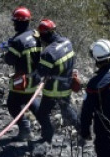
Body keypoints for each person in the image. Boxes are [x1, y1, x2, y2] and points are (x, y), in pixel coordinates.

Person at [32, 19, 79, 153]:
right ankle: (83, 131)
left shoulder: (49, 52)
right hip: (67, 84)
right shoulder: (67, 42)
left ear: (44, 35)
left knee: (42, 113)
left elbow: (40, 74)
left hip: (54, 88)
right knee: (67, 110)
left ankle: (47, 137)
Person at [0, 6, 42, 141]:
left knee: (12, 104)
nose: (13, 24)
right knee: (29, 99)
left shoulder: (18, 41)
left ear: (19, 22)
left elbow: (10, 60)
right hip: (35, 78)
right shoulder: (35, 35)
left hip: (23, 80)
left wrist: (5, 54)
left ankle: (25, 130)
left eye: (15, 22)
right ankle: (47, 126)